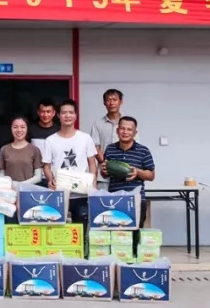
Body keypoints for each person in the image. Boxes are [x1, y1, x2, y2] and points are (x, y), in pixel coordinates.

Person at [101, 116, 155, 253]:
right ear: (117, 130)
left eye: (129, 129)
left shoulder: (143, 151)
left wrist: (138, 172)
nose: (125, 132)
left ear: (135, 133)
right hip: (114, 201)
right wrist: (104, 171)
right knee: (116, 236)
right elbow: (105, 174)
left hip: (136, 201)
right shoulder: (110, 149)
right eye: (122, 128)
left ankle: (134, 260)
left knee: (134, 235)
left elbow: (151, 175)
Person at [43, 99, 99, 224]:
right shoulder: (50, 140)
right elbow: (46, 166)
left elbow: (92, 163)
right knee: (59, 229)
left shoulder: (85, 138)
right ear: (58, 115)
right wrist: (50, 179)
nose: (67, 116)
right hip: (59, 194)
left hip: (82, 194)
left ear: (76, 115)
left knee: (81, 229)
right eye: (64, 113)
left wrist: (93, 183)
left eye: (71, 112)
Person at [90, 89, 124, 188]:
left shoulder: (128, 123)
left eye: (114, 99)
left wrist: (121, 168)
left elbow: (134, 145)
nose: (111, 103)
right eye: (108, 100)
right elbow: (95, 147)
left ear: (121, 102)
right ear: (104, 103)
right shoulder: (97, 124)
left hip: (124, 174)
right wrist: (106, 164)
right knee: (103, 198)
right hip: (103, 175)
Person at [0, 116, 44, 184]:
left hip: (28, 189)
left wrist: (20, 185)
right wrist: (7, 184)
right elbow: (2, 173)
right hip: (9, 189)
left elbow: (38, 177)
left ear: (27, 129)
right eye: (15, 127)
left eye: (22, 127)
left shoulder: (35, 150)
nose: (19, 130)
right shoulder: (4, 149)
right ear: (11, 128)